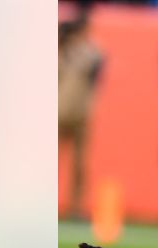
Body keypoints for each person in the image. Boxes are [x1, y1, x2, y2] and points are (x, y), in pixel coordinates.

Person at [59, 14, 103, 219]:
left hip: (80, 113)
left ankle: (75, 207)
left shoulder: (89, 53)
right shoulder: (59, 52)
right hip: (57, 112)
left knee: (79, 165)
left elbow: (97, 66)